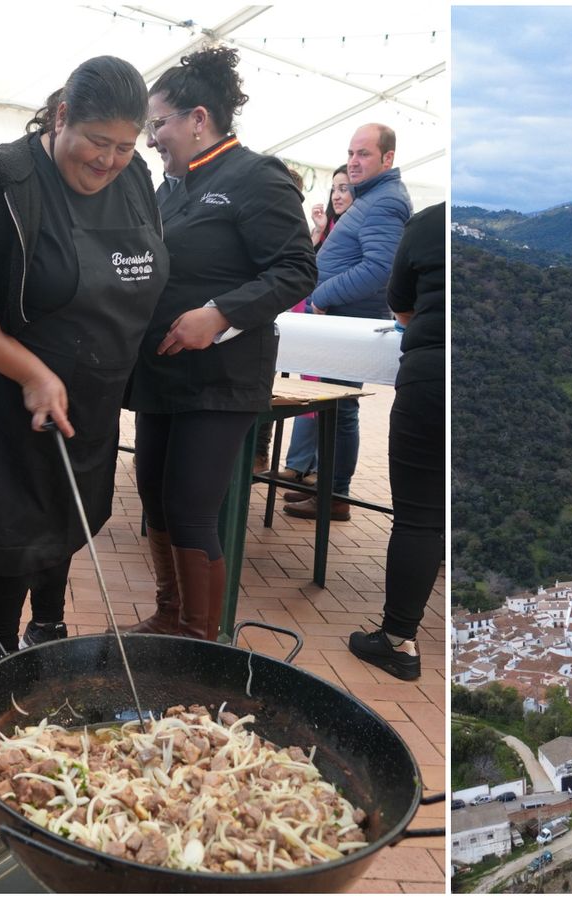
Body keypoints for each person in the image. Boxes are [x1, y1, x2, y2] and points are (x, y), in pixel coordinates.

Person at [0, 56, 165, 666]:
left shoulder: (135, 176)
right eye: (95, 141)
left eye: (123, 145)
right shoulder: (1, 184)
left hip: (99, 387)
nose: (108, 161)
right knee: (12, 528)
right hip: (18, 386)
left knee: (69, 512)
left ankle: (49, 628)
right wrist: (33, 374)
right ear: (61, 117)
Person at [126, 47, 316, 639]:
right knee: (153, 494)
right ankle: (170, 614)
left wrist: (218, 313)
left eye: (158, 123)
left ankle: (202, 638)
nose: (151, 137)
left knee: (189, 505)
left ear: (198, 119)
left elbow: (295, 269)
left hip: (222, 377)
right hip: (162, 374)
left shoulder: (256, 177)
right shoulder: (169, 189)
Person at [273, 123, 412, 521]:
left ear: (387, 158)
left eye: (364, 154)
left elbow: (379, 268)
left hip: (347, 325)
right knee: (338, 409)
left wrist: (321, 296)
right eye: (351, 153)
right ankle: (330, 491)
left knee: (342, 410)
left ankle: (335, 496)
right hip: (340, 322)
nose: (353, 162)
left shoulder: (384, 202)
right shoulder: (374, 198)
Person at [348, 202, 443, 680]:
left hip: (431, 378)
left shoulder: (428, 223)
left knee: (419, 517)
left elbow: (402, 305)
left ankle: (398, 641)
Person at [252, 166, 350, 471]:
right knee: (265, 383)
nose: (337, 194)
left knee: (322, 400)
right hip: (291, 315)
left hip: (312, 317)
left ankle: (291, 464)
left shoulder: (352, 225)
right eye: (335, 188)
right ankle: (294, 465)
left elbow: (302, 268)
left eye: (344, 188)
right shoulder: (327, 225)